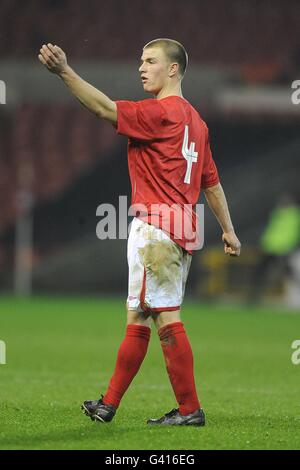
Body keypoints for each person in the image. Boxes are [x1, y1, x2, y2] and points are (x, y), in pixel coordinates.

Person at [38, 38, 241, 426]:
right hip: (183, 231)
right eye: (140, 61)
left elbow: (103, 108)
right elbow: (210, 183)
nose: (142, 68)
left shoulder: (159, 113)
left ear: (174, 69)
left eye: (150, 61)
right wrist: (228, 230)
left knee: (165, 317)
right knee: (140, 316)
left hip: (157, 231)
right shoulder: (197, 124)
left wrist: (64, 71)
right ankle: (109, 405)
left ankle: (189, 410)